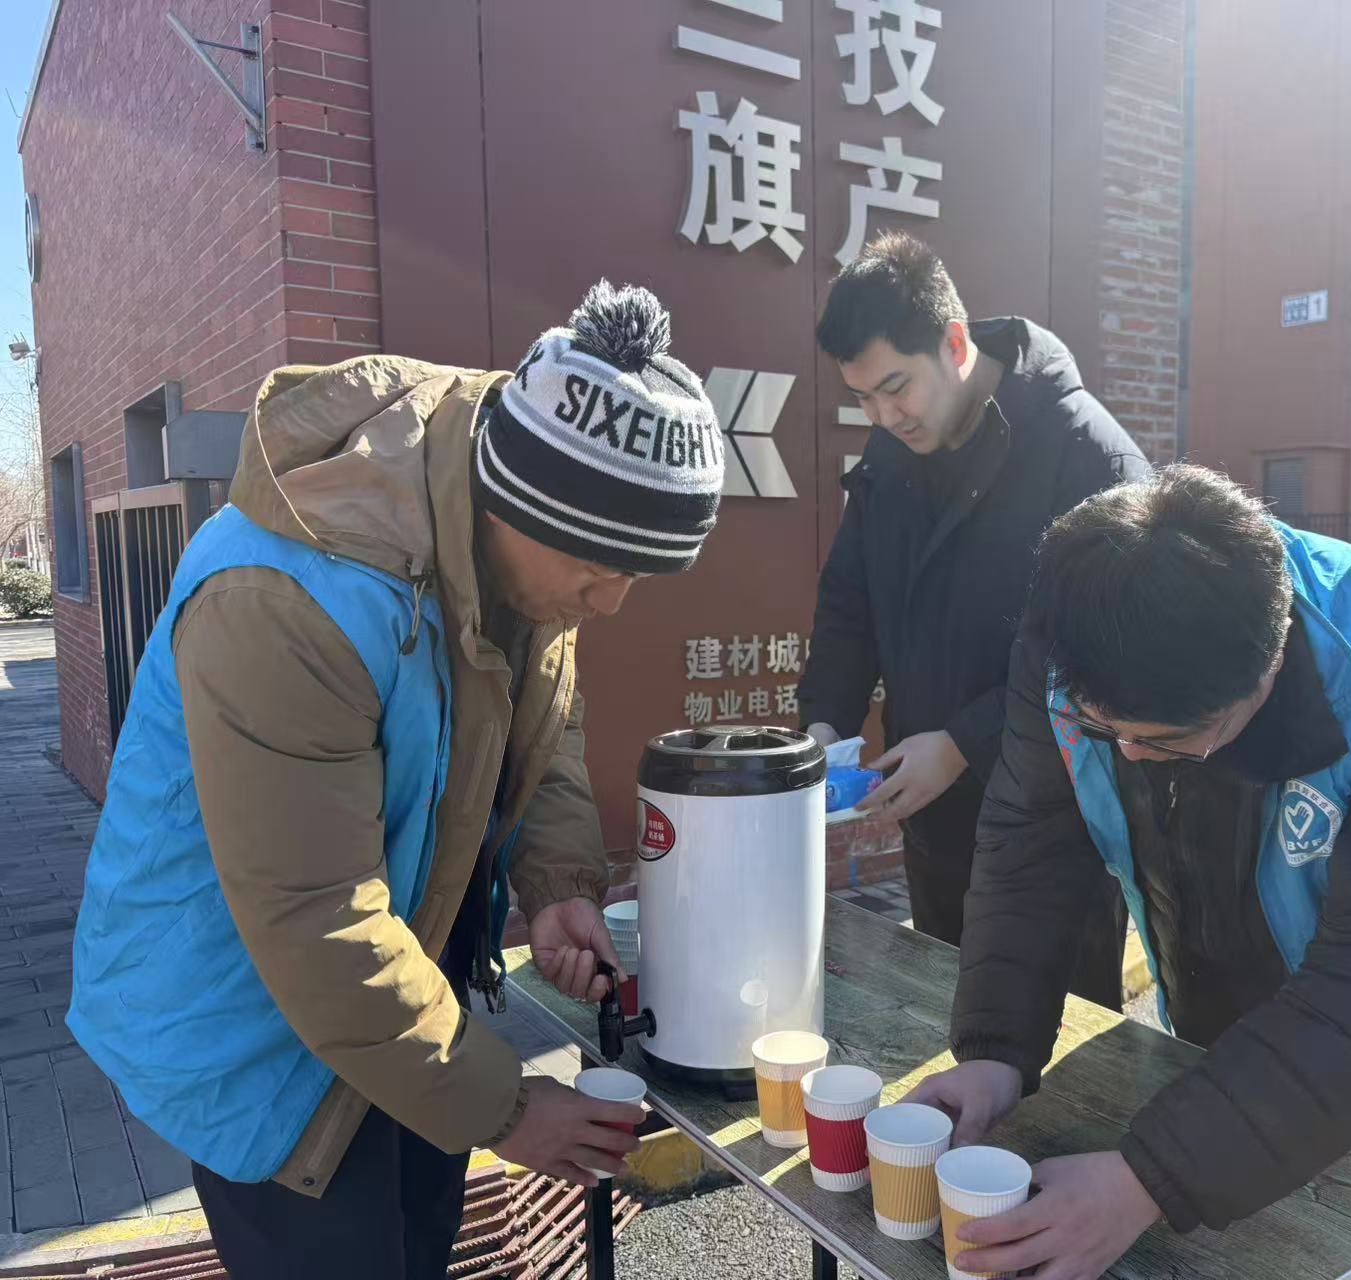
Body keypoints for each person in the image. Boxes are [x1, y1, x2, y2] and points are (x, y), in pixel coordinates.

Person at [68, 282, 726, 1279]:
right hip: (254, 1018)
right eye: (598, 571)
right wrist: (508, 1106)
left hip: (400, 977)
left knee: (419, 1246)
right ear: (515, 502)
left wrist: (558, 884)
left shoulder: (521, 526)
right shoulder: (284, 594)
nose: (611, 602)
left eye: (636, 573)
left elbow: (542, 711)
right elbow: (316, 916)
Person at [910, 466, 1351, 1280]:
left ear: (1269, 664)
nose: (1131, 755)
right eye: (1105, 731)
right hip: (1222, 1044)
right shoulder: (1073, 635)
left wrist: (1149, 1178)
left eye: (1169, 740)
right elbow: (1030, 845)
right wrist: (994, 1051)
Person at [799, 233, 1148, 1008]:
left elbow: (1103, 653)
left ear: (954, 344)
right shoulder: (891, 457)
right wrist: (824, 724)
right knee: (947, 1024)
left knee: (1054, 1046)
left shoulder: (1086, 454)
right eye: (861, 397)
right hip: (936, 826)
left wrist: (965, 742)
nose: (881, 415)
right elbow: (849, 603)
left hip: (1056, 830)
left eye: (895, 387)